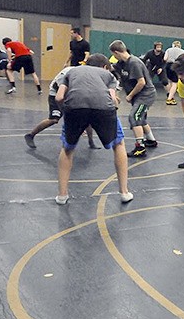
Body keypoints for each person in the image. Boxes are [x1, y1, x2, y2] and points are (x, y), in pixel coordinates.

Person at [54, 54, 133, 205]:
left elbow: (58, 97)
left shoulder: (71, 71)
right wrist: (113, 106)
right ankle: (124, 192)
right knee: (119, 144)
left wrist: (68, 112)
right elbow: (112, 99)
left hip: (74, 107)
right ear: (104, 67)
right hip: (103, 107)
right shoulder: (108, 75)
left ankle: (62, 195)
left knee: (67, 149)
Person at [24, 66, 99, 149]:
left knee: (86, 117)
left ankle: (91, 142)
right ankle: (31, 135)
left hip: (72, 94)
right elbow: (60, 96)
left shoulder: (88, 75)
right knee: (54, 119)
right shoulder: (66, 75)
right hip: (56, 94)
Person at [109, 40, 158, 158]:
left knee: (134, 117)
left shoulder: (134, 63)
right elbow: (111, 69)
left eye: (113, 55)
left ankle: (140, 147)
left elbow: (141, 82)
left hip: (145, 95)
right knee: (141, 118)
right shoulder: (122, 63)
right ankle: (151, 140)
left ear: (116, 53)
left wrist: (130, 95)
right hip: (138, 96)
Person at [163, 40, 184, 105]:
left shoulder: (168, 50)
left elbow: (165, 59)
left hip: (168, 66)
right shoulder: (183, 51)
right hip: (176, 66)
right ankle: (169, 99)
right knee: (175, 83)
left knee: (169, 81)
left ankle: (171, 96)